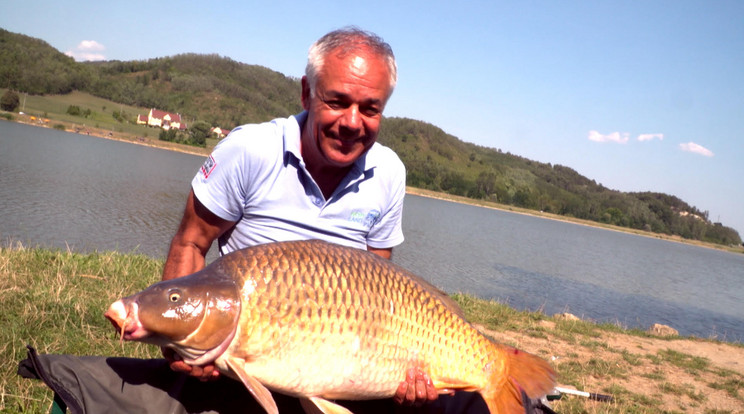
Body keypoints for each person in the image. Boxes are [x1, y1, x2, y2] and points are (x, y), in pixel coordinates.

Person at [162, 27, 438, 408]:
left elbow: (380, 284)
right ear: (307, 92)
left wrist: (400, 373)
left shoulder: (388, 172)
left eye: (370, 108)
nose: (353, 122)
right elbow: (191, 241)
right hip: (246, 347)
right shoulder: (250, 150)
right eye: (338, 101)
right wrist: (180, 340)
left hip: (334, 363)